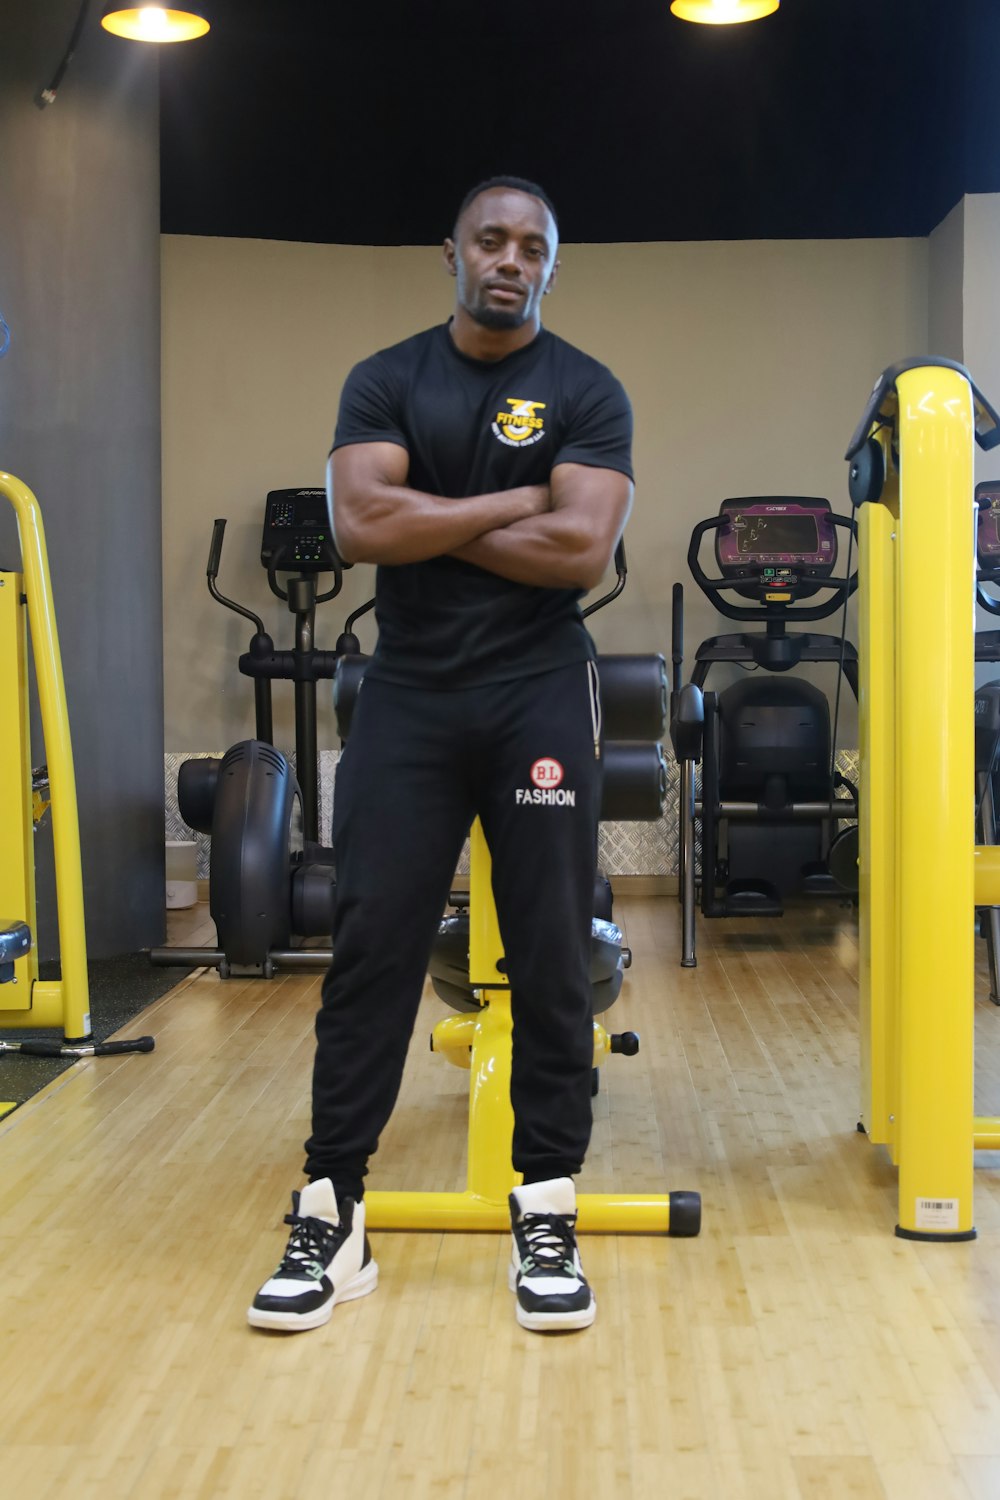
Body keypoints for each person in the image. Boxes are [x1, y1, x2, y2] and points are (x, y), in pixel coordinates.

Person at [249, 175, 634, 1335]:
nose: (509, 259)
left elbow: (578, 550)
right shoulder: (386, 378)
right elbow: (362, 527)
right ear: (453, 252)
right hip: (409, 696)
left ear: (550, 265)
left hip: (536, 695)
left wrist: (440, 511)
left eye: (532, 245)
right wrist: (512, 496)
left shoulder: (585, 388)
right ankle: (334, 1210)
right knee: (370, 948)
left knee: (557, 955)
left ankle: (545, 1202)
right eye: (490, 240)